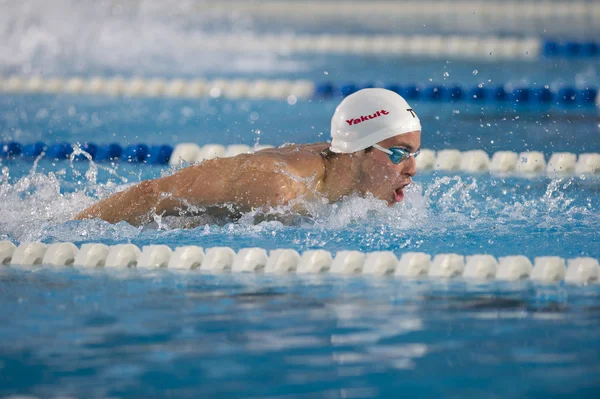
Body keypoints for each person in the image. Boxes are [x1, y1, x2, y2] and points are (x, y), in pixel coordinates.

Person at [74, 88, 422, 226]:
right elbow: (153, 194)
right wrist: (73, 229)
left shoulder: (342, 178)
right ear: (358, 151)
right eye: (399, 153)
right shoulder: (279, 186)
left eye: (414, 154)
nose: (413, 169)